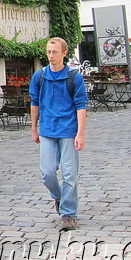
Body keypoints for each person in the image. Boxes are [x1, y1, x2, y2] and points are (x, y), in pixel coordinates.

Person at [30, 37, 88, 231]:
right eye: (48, 52)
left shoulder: (74, 77)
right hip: (47, 130)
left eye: (55, 52)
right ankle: (59, 197)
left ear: (64, 53)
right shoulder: (39, 76)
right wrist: (33, 128)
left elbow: (81, 106)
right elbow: (34, 103)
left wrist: (80, 133)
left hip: (68, 131)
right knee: (47, 173)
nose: (51, 55)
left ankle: (68, 214)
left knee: (70, 175)